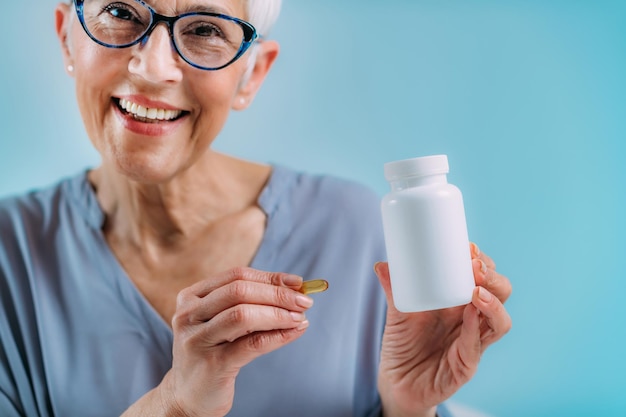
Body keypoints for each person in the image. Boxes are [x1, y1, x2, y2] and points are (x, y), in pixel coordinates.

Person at [0, 0, 512, 416]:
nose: (154, 68)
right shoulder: (10, 253)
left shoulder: (353, 229)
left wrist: (407, 409)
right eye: (119, 12)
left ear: (251, 74)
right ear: (67, 36)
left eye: (203, 29)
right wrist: (174, 405)